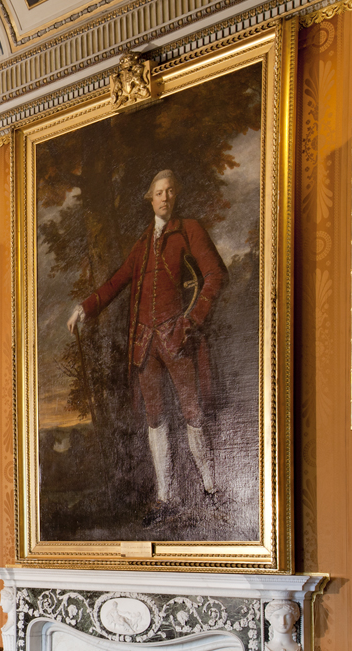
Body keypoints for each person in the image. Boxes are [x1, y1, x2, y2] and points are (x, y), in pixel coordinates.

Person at [66, 170, 227, 523]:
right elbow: (116, 282)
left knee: (193, 413)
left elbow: (215, 275)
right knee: (155, 420)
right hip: (145, 344)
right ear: (150, 199)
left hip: (177, 338)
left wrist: (191, 320)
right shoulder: (141, 244)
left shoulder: (189, 230)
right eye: (158, 192)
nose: (164, 197)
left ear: (176, 195)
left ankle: (211, 490)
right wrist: (84, 308)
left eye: (170, 191)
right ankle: (165, 497)